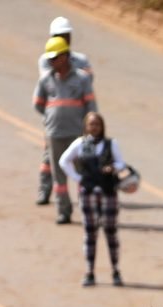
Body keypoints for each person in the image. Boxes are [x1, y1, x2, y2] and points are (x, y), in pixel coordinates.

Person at [33, 36, 97, 225]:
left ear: (66, 56)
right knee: (59, 176)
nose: (53, 62)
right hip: (55, 133)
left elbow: (91, 106)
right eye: (50, 59)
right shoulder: (46, 79)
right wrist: (52, 117)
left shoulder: (82, 79)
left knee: (82, 174)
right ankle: (64, 211)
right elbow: (38, 104)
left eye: (56, 58)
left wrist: (91, 131)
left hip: (78, 135)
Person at [59, 112, 127, 287]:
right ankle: (90, 272)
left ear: (102, 126)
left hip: (108, 192)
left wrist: (112, 167)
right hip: (88, 192)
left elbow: (121, 164)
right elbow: (63, 161)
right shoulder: (80, 144)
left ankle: (115, 270)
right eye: (91, 124)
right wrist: (78, 178)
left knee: (110, 232)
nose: (94, 127)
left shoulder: (111, 144)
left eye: (97, 124)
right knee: (90, 233)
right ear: (86, 126)